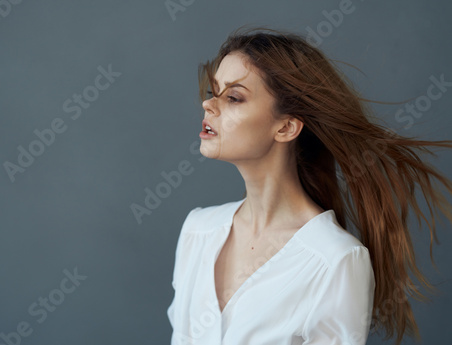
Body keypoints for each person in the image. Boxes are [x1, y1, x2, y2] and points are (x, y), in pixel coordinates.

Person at [167, 25, 452, 345]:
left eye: (233, 97)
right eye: (212, 92)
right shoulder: (197, 231)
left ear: (287, 127)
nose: (209, 105)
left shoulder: (336, 260)